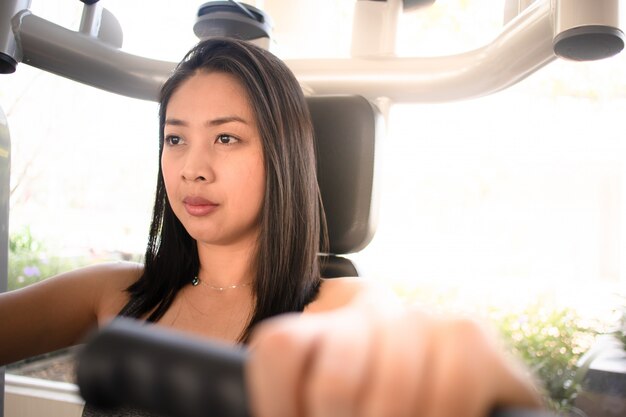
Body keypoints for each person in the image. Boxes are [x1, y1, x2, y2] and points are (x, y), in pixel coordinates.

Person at [0, 37, 543, 417]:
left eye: (227, 138)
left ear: (282, 157)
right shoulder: (112, 292)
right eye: (175, 138)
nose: (192, 166)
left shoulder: (339, 303)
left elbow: (387, 335)